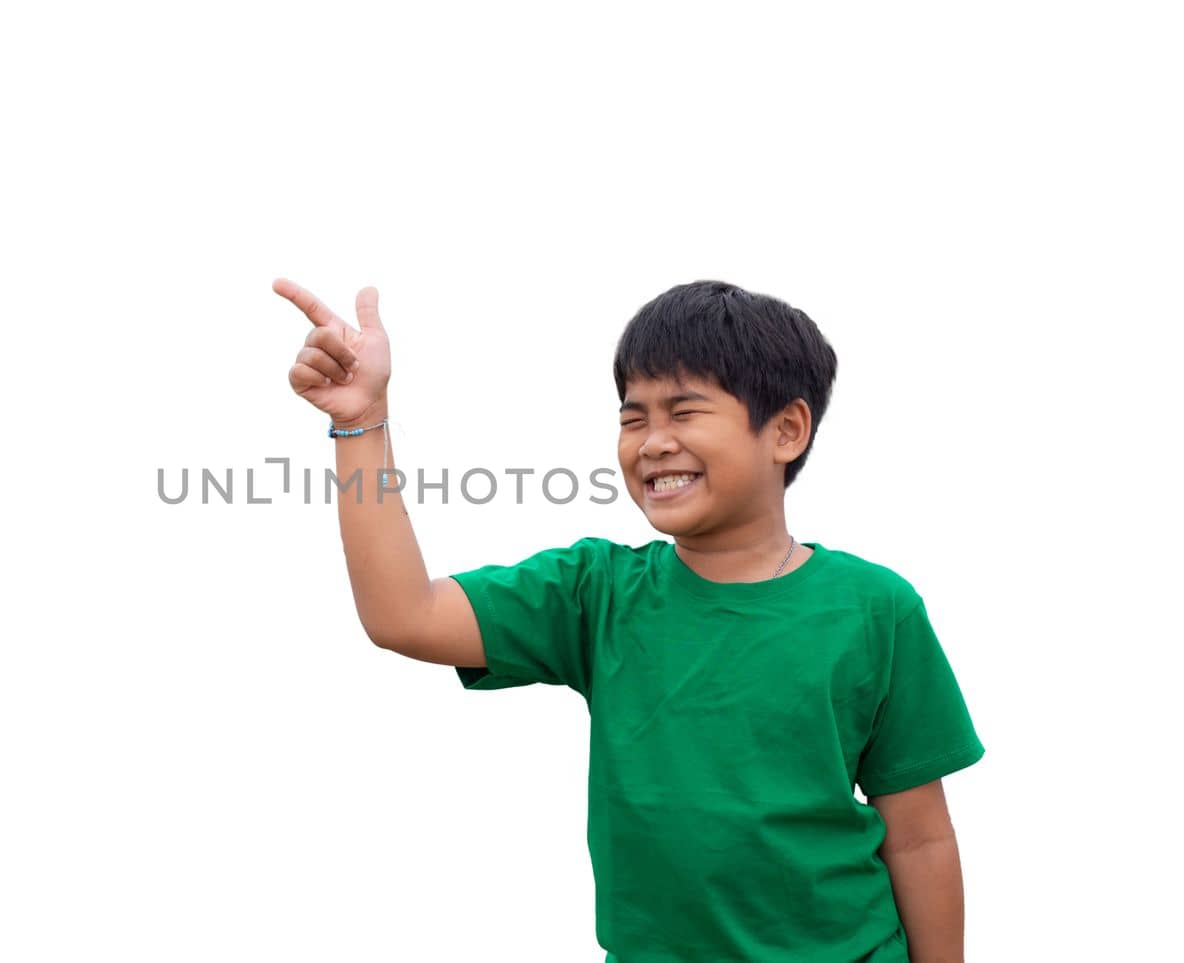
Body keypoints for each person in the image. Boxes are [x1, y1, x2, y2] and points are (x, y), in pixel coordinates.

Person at [272, 277, 985, 963]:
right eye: (632, 416)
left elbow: (919, 838)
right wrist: (360, 421)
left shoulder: (874, 607)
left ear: (786, 430)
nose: (652, 441)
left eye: (684, 410)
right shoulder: (596, 594)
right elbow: (405, 614)